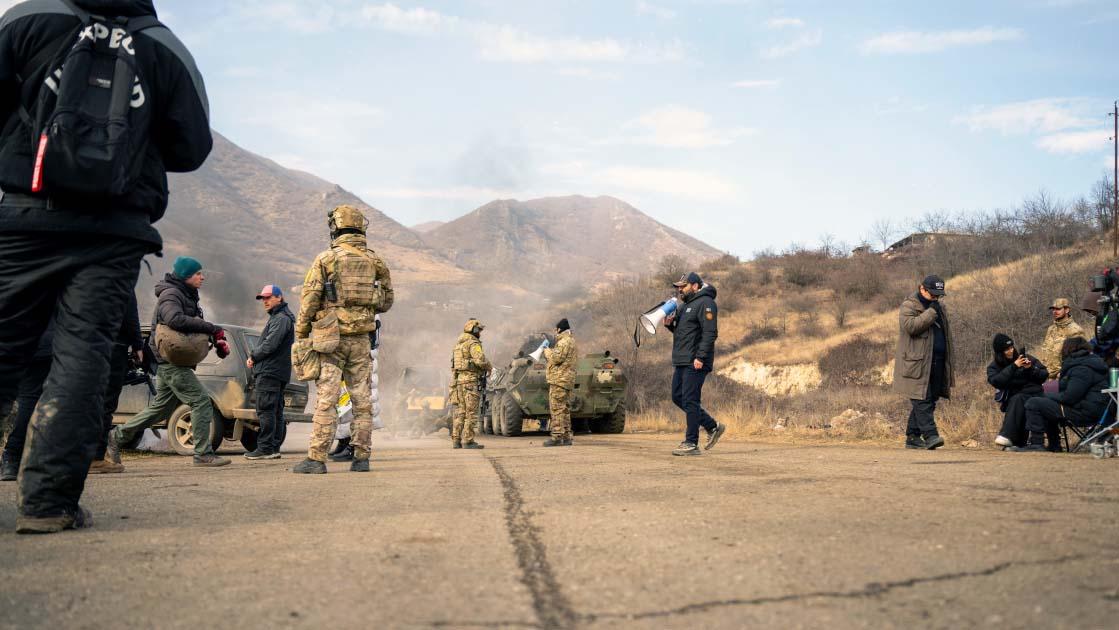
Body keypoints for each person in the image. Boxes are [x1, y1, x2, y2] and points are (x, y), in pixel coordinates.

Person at [0, 0, 212, 533]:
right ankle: (47, 504)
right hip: (112, 232)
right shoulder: (164, 46)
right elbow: (191, 147)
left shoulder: (30, 19)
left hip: (25, 215)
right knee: (82, 362)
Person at [292, 205, 394, 474]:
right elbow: (386, 303)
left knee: (327, 399)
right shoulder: (376, 262)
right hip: (361, 339)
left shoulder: (326, 260)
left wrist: (301, 333)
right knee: (362, 401)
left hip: (331, 340)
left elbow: (310, 299)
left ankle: (316, 459)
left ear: (335, 227)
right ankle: (361, 458)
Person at [108, 257, 231, 468]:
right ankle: (202, 453)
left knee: (161, 409)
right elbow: (173, 319)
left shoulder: (185, 294)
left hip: (169, 360)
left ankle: (116, 437)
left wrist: (216, 338)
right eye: (198, 273)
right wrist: (211, 327)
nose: (202, 277)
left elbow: (188, 325)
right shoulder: (171, 294)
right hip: (169, 360)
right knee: (201, 401)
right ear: (186, 275)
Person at [664, 272, 726, 456]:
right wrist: (670, 325)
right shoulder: (685, 306)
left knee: (690, 400)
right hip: (682, 360)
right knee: (677, 397)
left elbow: (710, 333)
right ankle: (712, 426)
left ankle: (691, 443)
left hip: (696, 361)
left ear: (695, 286)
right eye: (678, 287)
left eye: (683, 286)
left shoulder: (706, 303)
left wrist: (700, 357)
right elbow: (683, 331)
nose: (680, 290)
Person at [893, 275, 954, 450]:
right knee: (922, 399)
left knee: (931, 398)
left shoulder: (938, 306)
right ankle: (931, 436)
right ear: (922, 289)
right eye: (933, 294)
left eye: (938, 295)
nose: (936, 298)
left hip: (938, 361)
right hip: (916, 363)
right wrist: (932, 312)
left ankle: (912, 436)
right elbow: (911, 327)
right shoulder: (909, 305)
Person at [1019, 337, 1110, 452]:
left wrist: (1045, 395)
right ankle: (1054, 445)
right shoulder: (1084, 363)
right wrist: (1043, 388)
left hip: (1086, 412)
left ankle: (1037, 444)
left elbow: (1069, 397)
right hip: (1090, 408)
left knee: (1034, 403)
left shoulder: (1082, 369)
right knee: (1043, 402)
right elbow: (1065, 384)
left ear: (1068, 350)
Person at [244, 285, 295, 460]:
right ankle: (273, 448)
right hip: (276, 371)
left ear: (279, 297)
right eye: (263, 298)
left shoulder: (280, 318)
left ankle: (266, 448)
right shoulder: (281, 317)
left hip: (270, 371)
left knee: (266, 410)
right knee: (275, 411)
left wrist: (253, 356)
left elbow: (270, 344)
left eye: (269, 297)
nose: (265, 301)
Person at [329, 315, 382, 462]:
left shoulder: (370, 313)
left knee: (358, 406)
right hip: (352, 358)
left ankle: (354, 446)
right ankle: (344, 440)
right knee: (345, 405)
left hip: (361, 360)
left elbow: (374, 341)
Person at [986, 334, 1048, 448]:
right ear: (1000, 352)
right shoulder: (994, 367)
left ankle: (1007, 436)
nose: (1010, 351)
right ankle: (1017, 442)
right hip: (1015, 400)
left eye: (1011, 348)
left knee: (1019, 399)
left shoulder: (1026, 358)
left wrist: (1031, 369)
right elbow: (996, 381)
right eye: (1006, 350)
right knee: (1018, 400)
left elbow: (1044, 375)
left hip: (1035, 394)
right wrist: (1014, 366)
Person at [449, 319, 491, 450]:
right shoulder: (473, 344)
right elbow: (481, 360)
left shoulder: (458, 346)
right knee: (471, 412)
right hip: (471, 381)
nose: (480, 333)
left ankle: (456, 440)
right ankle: (468, 441)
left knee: (460, 412)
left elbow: (454, 366)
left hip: (459, 382)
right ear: (474, 330)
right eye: (479, 330)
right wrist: (489, 366)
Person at [543, 318, 578, 447]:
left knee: (557, 408)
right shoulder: (572, 341)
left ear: (559, 329)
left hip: (559, 380)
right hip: (567, 380)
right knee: (565, 409)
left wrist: (547, 351)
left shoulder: (563, 342)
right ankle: (567, 436)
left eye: (556, 330)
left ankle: (557, 436)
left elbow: (556, 358)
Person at [1036, 298, 1087, 380]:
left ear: (1067, 310)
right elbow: (1045, 351)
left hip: (1063, 377)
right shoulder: (1051, 329)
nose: (1055, 312)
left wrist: (1065, 373)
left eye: (1058, 309)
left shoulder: (1075, 330)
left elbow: (1079, 358)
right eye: (1053, 309)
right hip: (1047, 377)